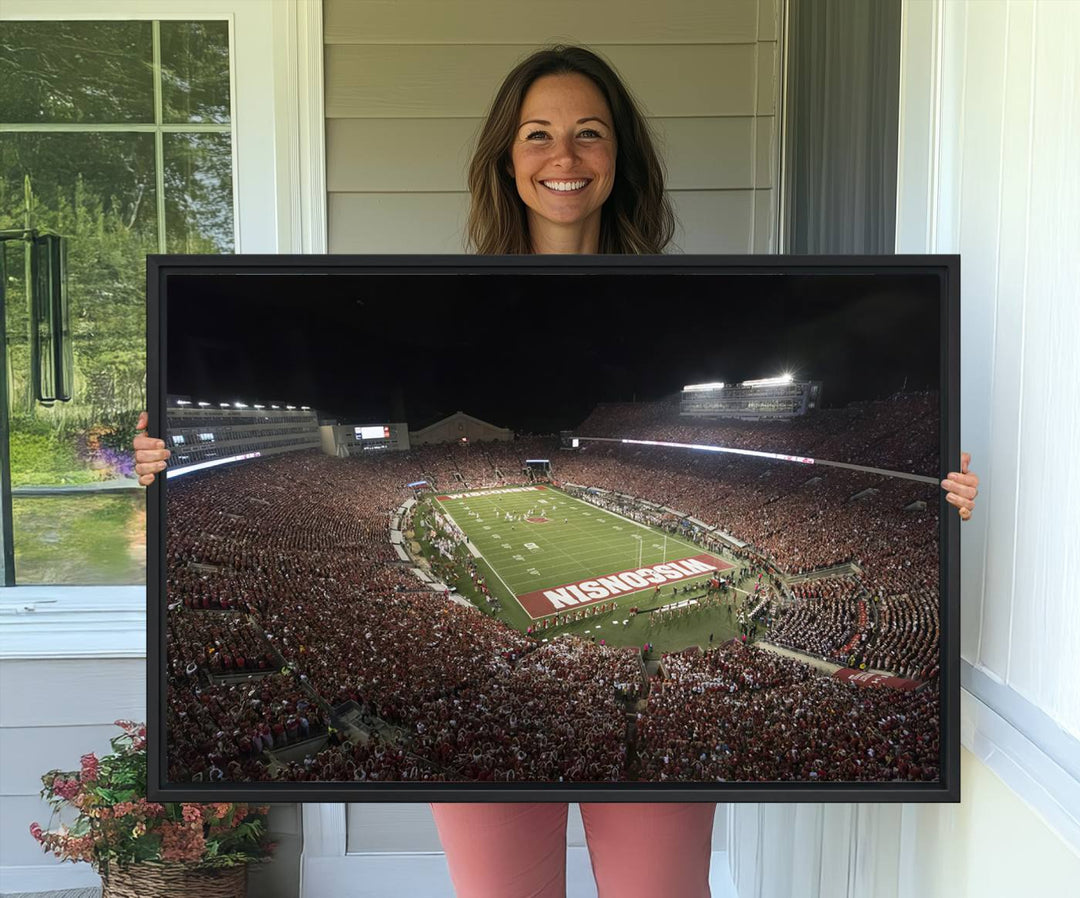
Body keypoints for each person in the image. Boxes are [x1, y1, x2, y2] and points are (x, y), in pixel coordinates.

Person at [134, 44, 980, 898]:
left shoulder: (670, 300)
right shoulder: (452, 300)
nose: (563, 157)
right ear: (507, 158)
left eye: (589, 134)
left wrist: (933, 502)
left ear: (620, 158)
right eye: (537, 134)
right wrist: (163, 463)